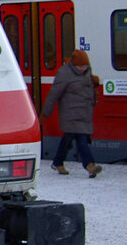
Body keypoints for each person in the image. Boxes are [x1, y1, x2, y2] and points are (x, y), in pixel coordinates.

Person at [42, 49, 102, 178]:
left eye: (85, 66)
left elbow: (87, 87)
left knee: (67, 139)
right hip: (70, 113)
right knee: (81, 140)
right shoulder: (64, 73)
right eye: (80, 67)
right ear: (74, 65)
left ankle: (58, 162)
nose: (83, 69)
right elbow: (54, 94)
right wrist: (45, 114)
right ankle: (90, 166)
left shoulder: (87, 70)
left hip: (84, 112)